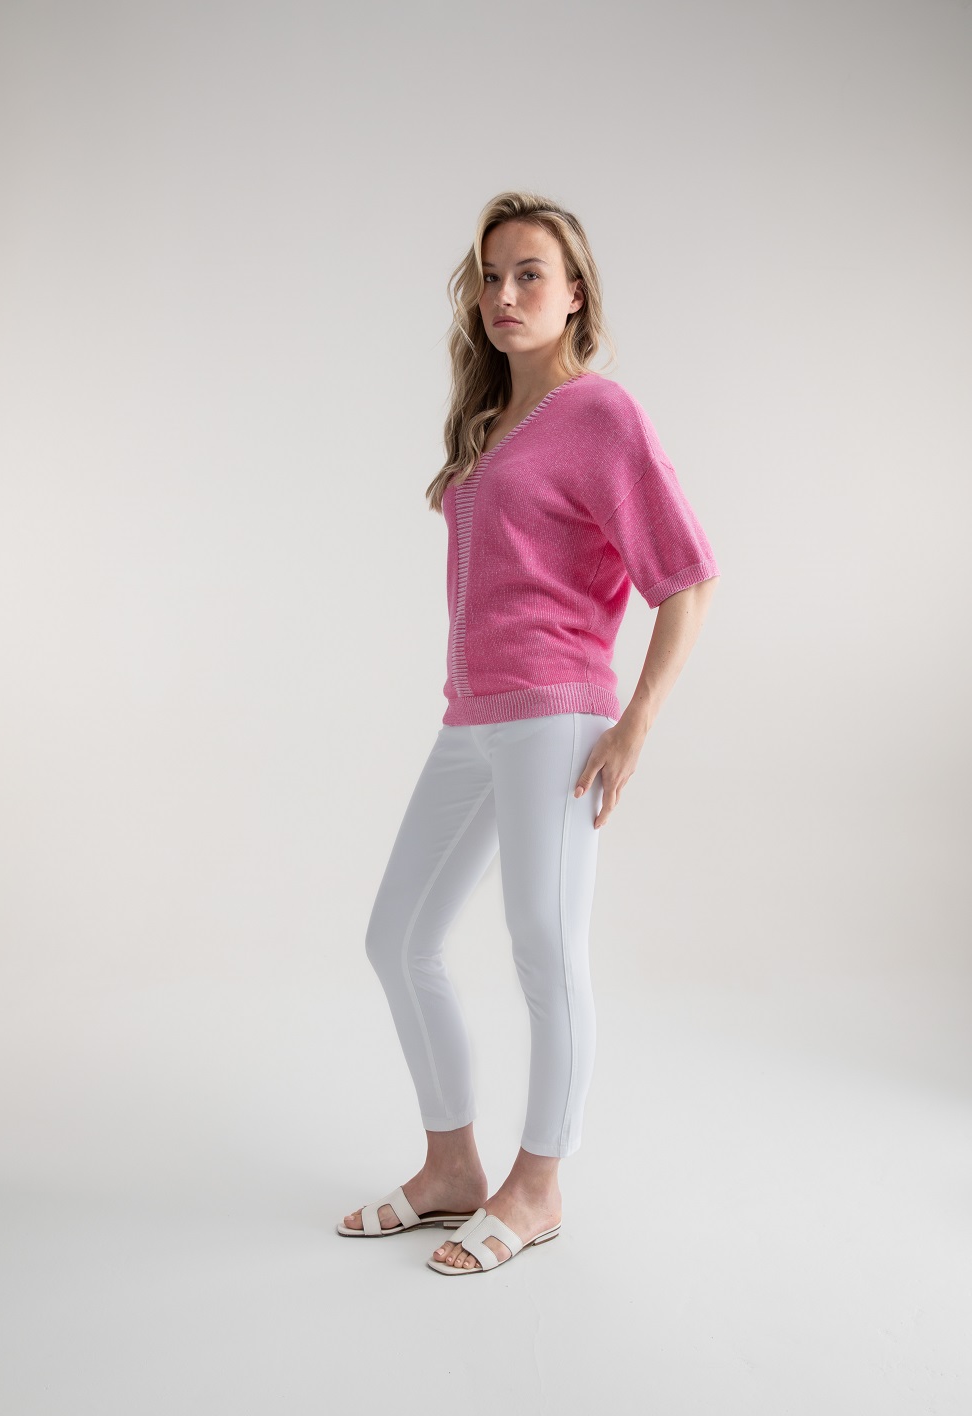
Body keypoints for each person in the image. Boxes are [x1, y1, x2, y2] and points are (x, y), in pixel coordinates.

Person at [337, 190, 720, 1276]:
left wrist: (634, 721)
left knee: (544, 951)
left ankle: (539, 1185)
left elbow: (686, 578)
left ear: (575, 294)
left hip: (558, 715)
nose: (505, 294)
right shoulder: (489, 423)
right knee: (397, 938)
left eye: (530, 275)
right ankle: (453, 1167)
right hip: (472, 719)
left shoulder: (601, 414)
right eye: (491, 277)